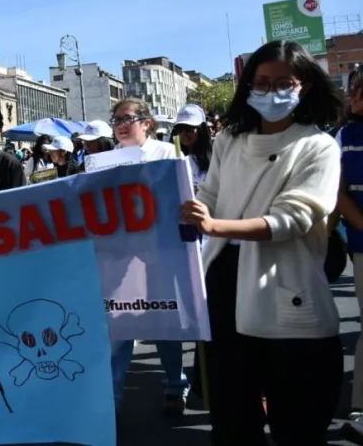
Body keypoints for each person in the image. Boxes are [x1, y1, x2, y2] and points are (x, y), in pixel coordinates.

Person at [181, 40, 342, 446]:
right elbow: (211, 194)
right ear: (247, 86)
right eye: (261, 83)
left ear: (304, 85)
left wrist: (216, 226)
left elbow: (292, 218)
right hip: (222, 284)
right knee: (232, 418)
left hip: (283, 286)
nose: (271, 92)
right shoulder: (230, 140)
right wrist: (188, 207)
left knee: (298, 422)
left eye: (283, 82)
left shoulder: (318, 146)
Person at [108, 98, 189, 418]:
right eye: (116, 119)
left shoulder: (169, 154)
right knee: (118, 323)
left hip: (161, 251)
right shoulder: (104, 161)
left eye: (128, 118)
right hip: (119, 256)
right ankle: (112, 400)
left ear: (147, 123)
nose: (121, 124)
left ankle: (174, 384)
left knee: (164, 321)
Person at [340, 74, 363, 442]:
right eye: (354, 88)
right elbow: (338, 194)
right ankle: (360, 409)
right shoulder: (343, 138)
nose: (355, 95)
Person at [172, 103, 213, 188]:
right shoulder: (173, 158)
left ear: (201, 130)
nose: (184, 134)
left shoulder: (214, 158)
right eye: (179, 129)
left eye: (188, 129)